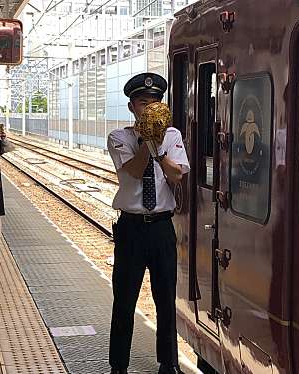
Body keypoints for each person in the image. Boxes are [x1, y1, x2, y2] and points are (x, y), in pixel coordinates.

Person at [107, 72, 190, 374]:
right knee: (124, 300)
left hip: (161, 228)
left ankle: (168, 364)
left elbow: (177, 175)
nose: (150, 107)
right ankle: (118, 366)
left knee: (166, 299)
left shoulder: (173, 136)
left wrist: (160, 146)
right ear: (131, 107)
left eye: (155, 102)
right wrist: (147, 142)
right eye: (144, 103)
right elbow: (132, 171)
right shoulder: (120, 137)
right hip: (131, 229)